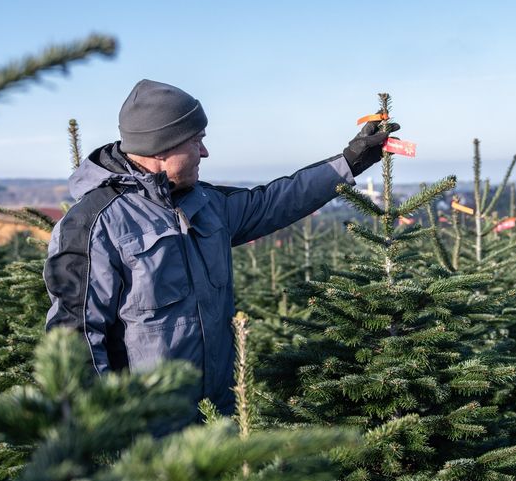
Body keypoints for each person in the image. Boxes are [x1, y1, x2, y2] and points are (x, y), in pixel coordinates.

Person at [44, 79, 398, 418]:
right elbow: (74, 339)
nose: (204, 151)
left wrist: (350, 161)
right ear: (162, 147)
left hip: (218, 421)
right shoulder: (95, 223)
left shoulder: (207, 203)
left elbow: (277, 200)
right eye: (196, 141)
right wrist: (98, 437)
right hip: (147, 437)